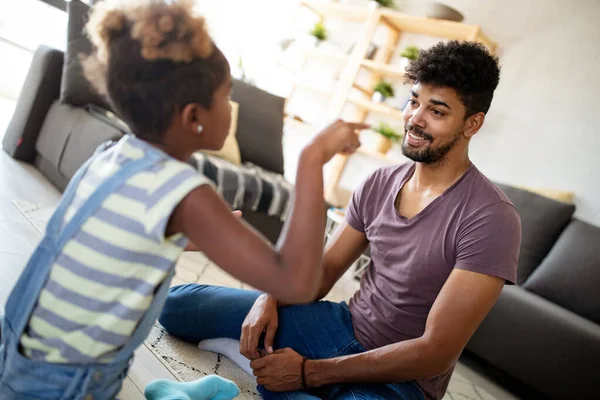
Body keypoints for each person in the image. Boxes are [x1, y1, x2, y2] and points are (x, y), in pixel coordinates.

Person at [0, 1, 365, 399]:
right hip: (69, 383)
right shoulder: (184, 192)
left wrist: (171, 237)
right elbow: (295, 282)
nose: (229, 107)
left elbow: (107, 233)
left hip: (20, 345)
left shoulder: (113, 156)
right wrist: (311, 161)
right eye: (226, 97)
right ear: (195, 118)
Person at [159, 40, 522, 400]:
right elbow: (325, 270)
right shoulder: (380, 183)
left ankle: (266, 371)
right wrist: (268, 298)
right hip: (340, 326)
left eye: (437, 112)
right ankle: (258, 363)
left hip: (401, 379)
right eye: (413, 101)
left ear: (472, 124)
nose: (415, 119)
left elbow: (434, 352)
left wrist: (308, 372)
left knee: (283, 380)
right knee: (176, 306)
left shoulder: (492, 219)